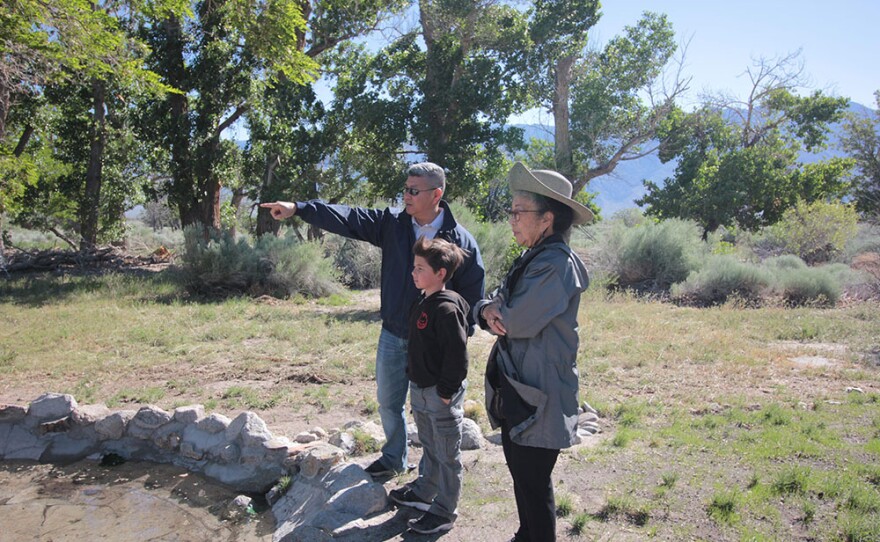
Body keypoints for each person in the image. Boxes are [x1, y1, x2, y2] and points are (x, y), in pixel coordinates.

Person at [260, 162, 485, 477]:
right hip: (393, 334)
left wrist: (459, 336)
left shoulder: (461, 240)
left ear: (437, 194)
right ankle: (394, 459)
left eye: (413, 190)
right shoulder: (392, 224)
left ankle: (434, 477)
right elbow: (348, 217)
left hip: (433, 346)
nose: (405, 195)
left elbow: (473, 295)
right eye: (404, 188)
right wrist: (299, 208)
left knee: (435, 412)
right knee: (388, 404)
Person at [473, 162, 593, 542]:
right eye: (512, 212)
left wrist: (491, 311)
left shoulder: (554, 264)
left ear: (547, 219)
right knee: (525, 480)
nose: (511, 220)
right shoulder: (536, 257)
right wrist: (485, 308)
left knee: (533, 482)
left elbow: (514, 320)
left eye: (518, 212)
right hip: (525, 390)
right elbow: (498, 302)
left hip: (539, 395)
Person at [388, 236, 469, 534]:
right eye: (414, 267)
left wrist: (446, 391)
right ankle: (426, 492)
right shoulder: (423, 301)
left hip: (440, 394)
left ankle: (445, 510)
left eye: (420, 268)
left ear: (441, 274)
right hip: (420, 390)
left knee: (447, 454)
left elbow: (457, 357)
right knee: (431, 447)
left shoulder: (447, 309)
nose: (413, 273)